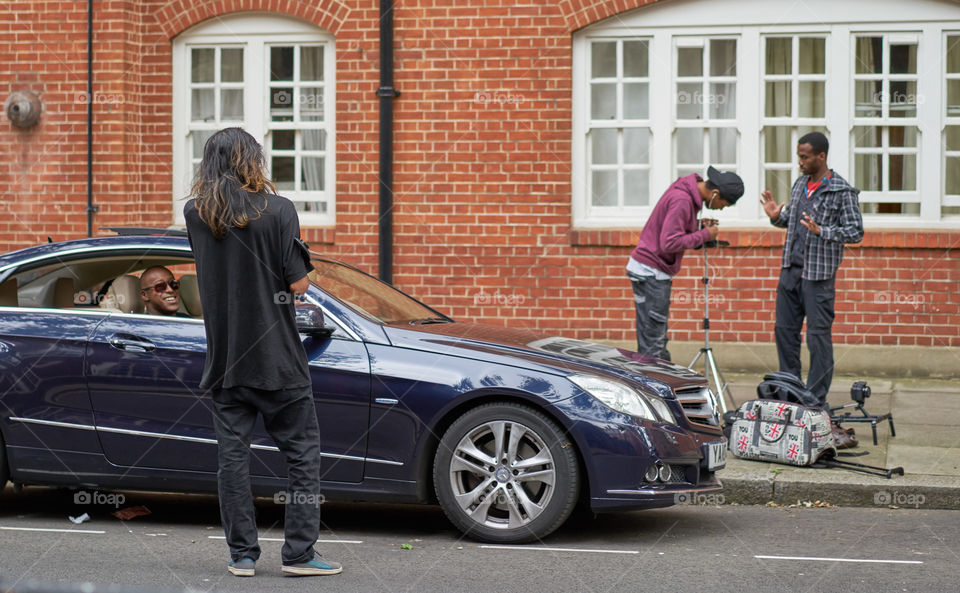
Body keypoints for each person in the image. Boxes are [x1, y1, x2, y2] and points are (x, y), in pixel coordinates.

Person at [184, 127, 341, 578]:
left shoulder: (195, 213)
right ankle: (299, 555)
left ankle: (242, 557)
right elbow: (298, 284)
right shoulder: (279, 210)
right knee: (302, 457)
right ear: (250, 161)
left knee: (232, 460)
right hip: (279, 362)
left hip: (226, 362)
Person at [761, 131, 864, 416]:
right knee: (785, 333)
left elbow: (856, 232)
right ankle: (791, 392)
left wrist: (824, 232)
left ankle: (815, 401)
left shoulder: (842, 191)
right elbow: (794, 219)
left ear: (821, 156)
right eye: (799, 156)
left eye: (805, 157)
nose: (800, 162)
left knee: (818, 339)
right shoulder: (800, 185)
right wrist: (776, 216)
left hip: (818, 278)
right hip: (790, 272)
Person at [627, 166, 744, 360]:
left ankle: (660, 381)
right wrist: (705, 234)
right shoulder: (682, 200)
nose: (721, 209)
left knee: (655, 338)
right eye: (724, 204)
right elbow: (669, 242)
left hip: (650, 272)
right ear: (715, 194)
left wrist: (696, 226)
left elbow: (673, 228)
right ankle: (653, 386)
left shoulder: (686, 193)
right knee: (653, 344)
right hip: (651, 273)